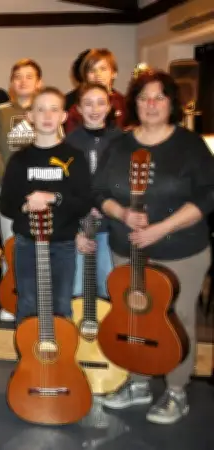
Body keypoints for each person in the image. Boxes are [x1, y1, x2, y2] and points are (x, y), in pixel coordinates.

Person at [95, 71, 214, 425]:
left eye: (159, 97)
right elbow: (99, 192)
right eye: (144, 97)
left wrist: (160, 228)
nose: (151, 104)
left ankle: (177, 390)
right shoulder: (119, 144)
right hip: (127, 248)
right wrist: (122, 213)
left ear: (171, 104)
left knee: (177, 321)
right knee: (135, 317)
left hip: (181, 251)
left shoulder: (189, 145)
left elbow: (208, 196)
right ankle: (138, 383)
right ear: (134, 103)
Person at [0, 87, 92, 323]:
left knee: (61, 306)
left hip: (63, 244)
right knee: (28, 304)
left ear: (63, 116)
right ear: (30, 117)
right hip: (26, 243)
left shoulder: (75, 157)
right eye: (40, 110)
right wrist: (25, 207)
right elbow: (6, 204)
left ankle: (61, 359)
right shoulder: (19, 160)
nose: (47, 116)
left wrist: (52, 198)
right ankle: (29, 359)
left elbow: (84, 202)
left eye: (54, 109)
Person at [0, 58, 43, 321]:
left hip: (40, 194)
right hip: (9, 192)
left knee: (40, 247)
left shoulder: (46, 109)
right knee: (11, 247)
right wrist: (7, 181)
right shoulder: (1, 111)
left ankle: (40, 302)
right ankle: (11, 301)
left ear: (38, 82)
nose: (22, 81)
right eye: (17, 76)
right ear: (11, 83)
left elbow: (57, 145)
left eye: (28, 76)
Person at [67, 84, 122, 299]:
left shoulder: (121, 141)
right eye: (87, 103)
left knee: (108, 287)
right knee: (78, 288)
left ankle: (107, 331)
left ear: (109, 107)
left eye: (101, 103)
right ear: (78, 109)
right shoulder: (70, 142)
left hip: (111, 226)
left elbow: (124, 182)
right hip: (80, 227)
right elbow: (67, 186)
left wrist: (106, 204)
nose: (94, 109)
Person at [65, 49, 127, 133]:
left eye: (103, 69)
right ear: (85, 76)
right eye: (92, 70)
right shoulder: (74, 106)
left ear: (114, 73)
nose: (98, 74)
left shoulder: (123, 103)